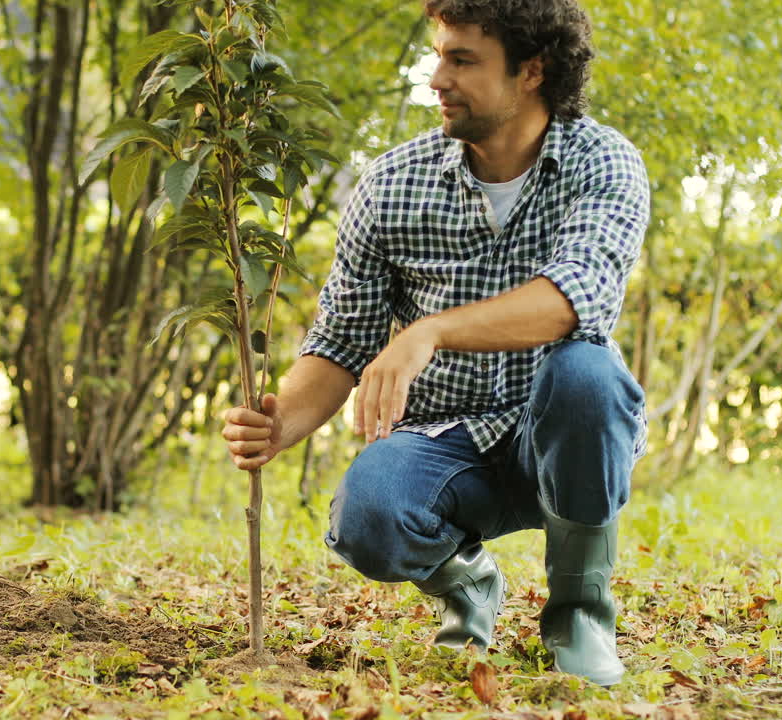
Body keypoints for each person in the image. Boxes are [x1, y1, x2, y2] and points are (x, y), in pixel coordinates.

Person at [220, 0, 648, 687]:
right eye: (438, 54)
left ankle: (579, 615)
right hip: (446, 443)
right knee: (368, 515)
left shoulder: (604, 163)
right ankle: (468, 582)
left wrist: (433, 329)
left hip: (563, 440)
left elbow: (574, 300)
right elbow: (340, 341)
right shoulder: (391, 184)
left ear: (531, 71)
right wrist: (282, 424)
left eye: (462, 60)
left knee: (587, 376)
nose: (435, 77)